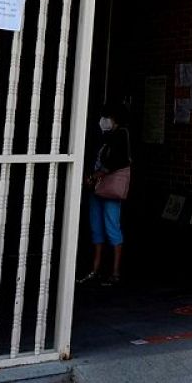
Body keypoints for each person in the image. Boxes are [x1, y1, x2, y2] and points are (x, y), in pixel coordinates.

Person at [80, 108, 131, 287]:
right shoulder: (101, 137)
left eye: (107, 117)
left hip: (109, 187)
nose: (103, 120)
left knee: (112, 227)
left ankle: (115, 272)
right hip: (95, 188)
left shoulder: (121, 135)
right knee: (96, 227)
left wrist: (97, 174)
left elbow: (119, 160)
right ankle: (95, 268)